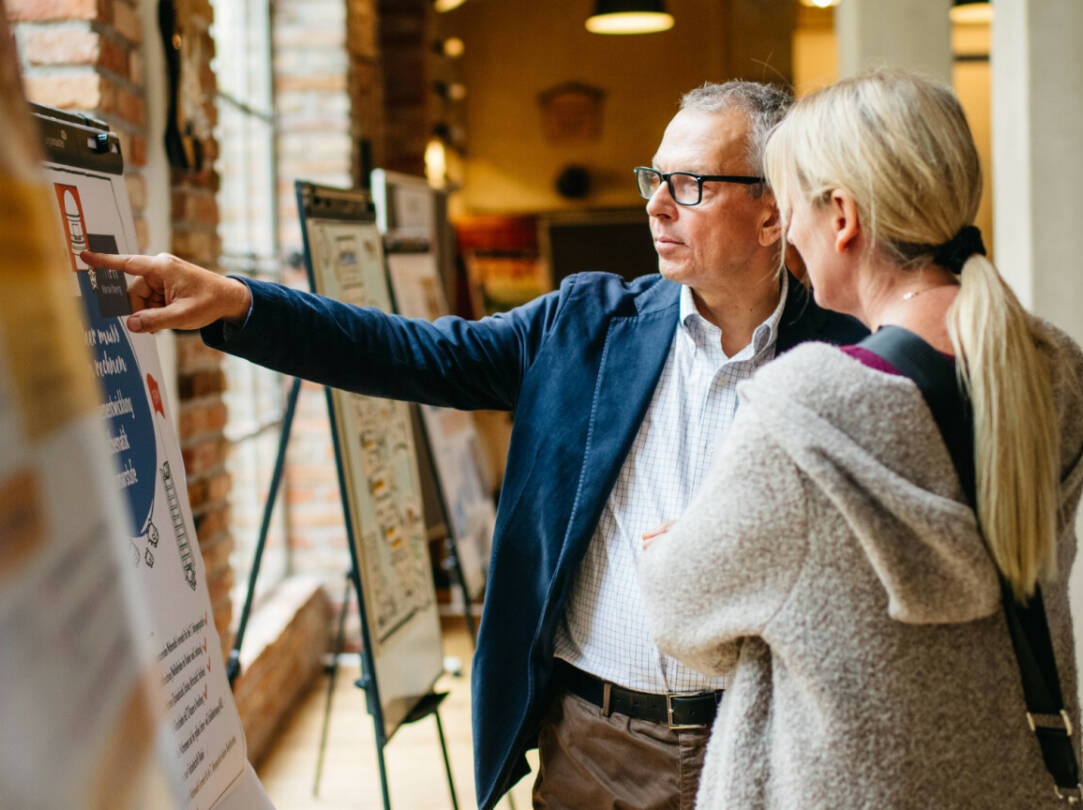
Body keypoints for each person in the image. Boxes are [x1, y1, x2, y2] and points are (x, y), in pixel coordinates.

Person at [81, 79, 867, 810]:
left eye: (689, 185)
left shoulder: (848, 359)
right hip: (596, 749)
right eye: (651, 180)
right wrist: (240, 304)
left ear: (773, 213)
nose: (658, 207)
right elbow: (408, 351)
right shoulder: (586, 326)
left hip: (768, 741)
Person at [638, 69, 1083, 808]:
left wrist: (686, 539)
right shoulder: (1052, 371)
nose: (790, 238)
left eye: (791, 212)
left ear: (842, 217)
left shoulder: (809, 407)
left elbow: (680, 617)